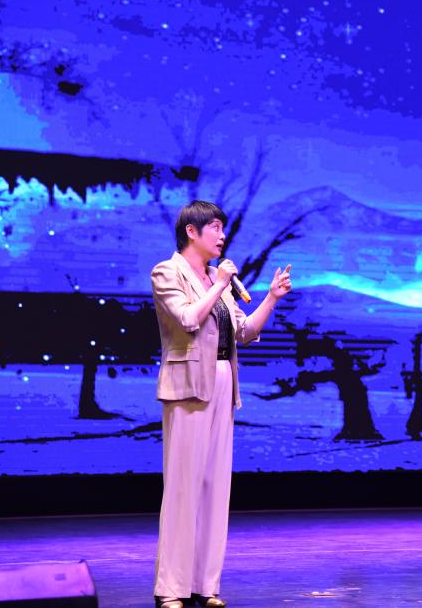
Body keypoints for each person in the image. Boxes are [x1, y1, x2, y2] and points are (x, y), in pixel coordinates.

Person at [151, 200, 292, 608]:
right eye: (214, 227)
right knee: (183, 487)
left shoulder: (218, 278)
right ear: (191, 232)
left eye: (222, 228)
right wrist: (220, 284)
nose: (222, 235)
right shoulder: (168, 272)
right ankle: (171, 589)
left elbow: (243, 332)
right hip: (189, 385)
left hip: (223, 381)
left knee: (215, 488)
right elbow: (187, 319)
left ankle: (205, 585)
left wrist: (271, 298)